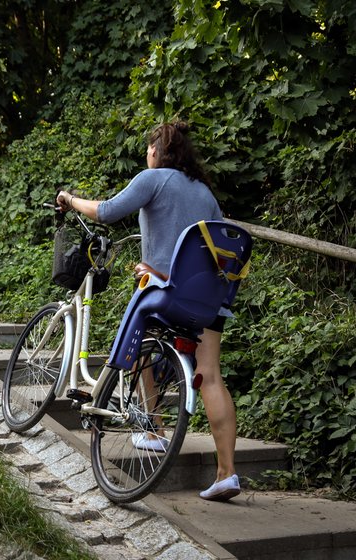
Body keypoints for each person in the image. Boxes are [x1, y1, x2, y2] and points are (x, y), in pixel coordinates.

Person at [55, 121, 240, 502]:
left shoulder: (153, 179)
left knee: (138, 338)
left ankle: (152, 428)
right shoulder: (204, 192)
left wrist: (70, 199)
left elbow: (106, 211)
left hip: (167, 294)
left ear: (157, 150)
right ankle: (227, 473)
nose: (147, 154)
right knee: (210, 376)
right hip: (209, 299)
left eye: (148, 149)